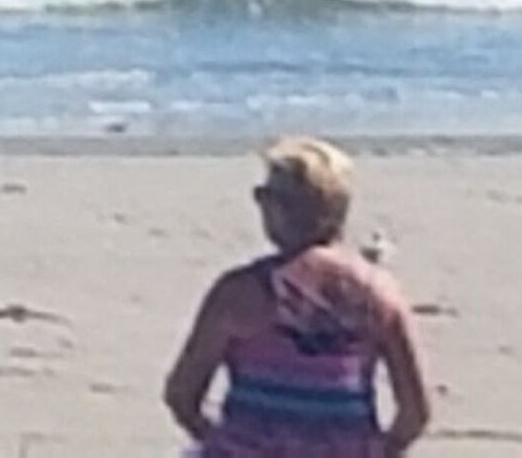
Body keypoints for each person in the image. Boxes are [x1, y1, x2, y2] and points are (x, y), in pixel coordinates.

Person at [160, 137, 433, 457]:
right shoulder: (378, 293)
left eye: (264, 197)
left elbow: (182, 395)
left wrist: (222, 441)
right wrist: (380, 449)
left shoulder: (240, 292)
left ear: (280, 209)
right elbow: (415, 412)